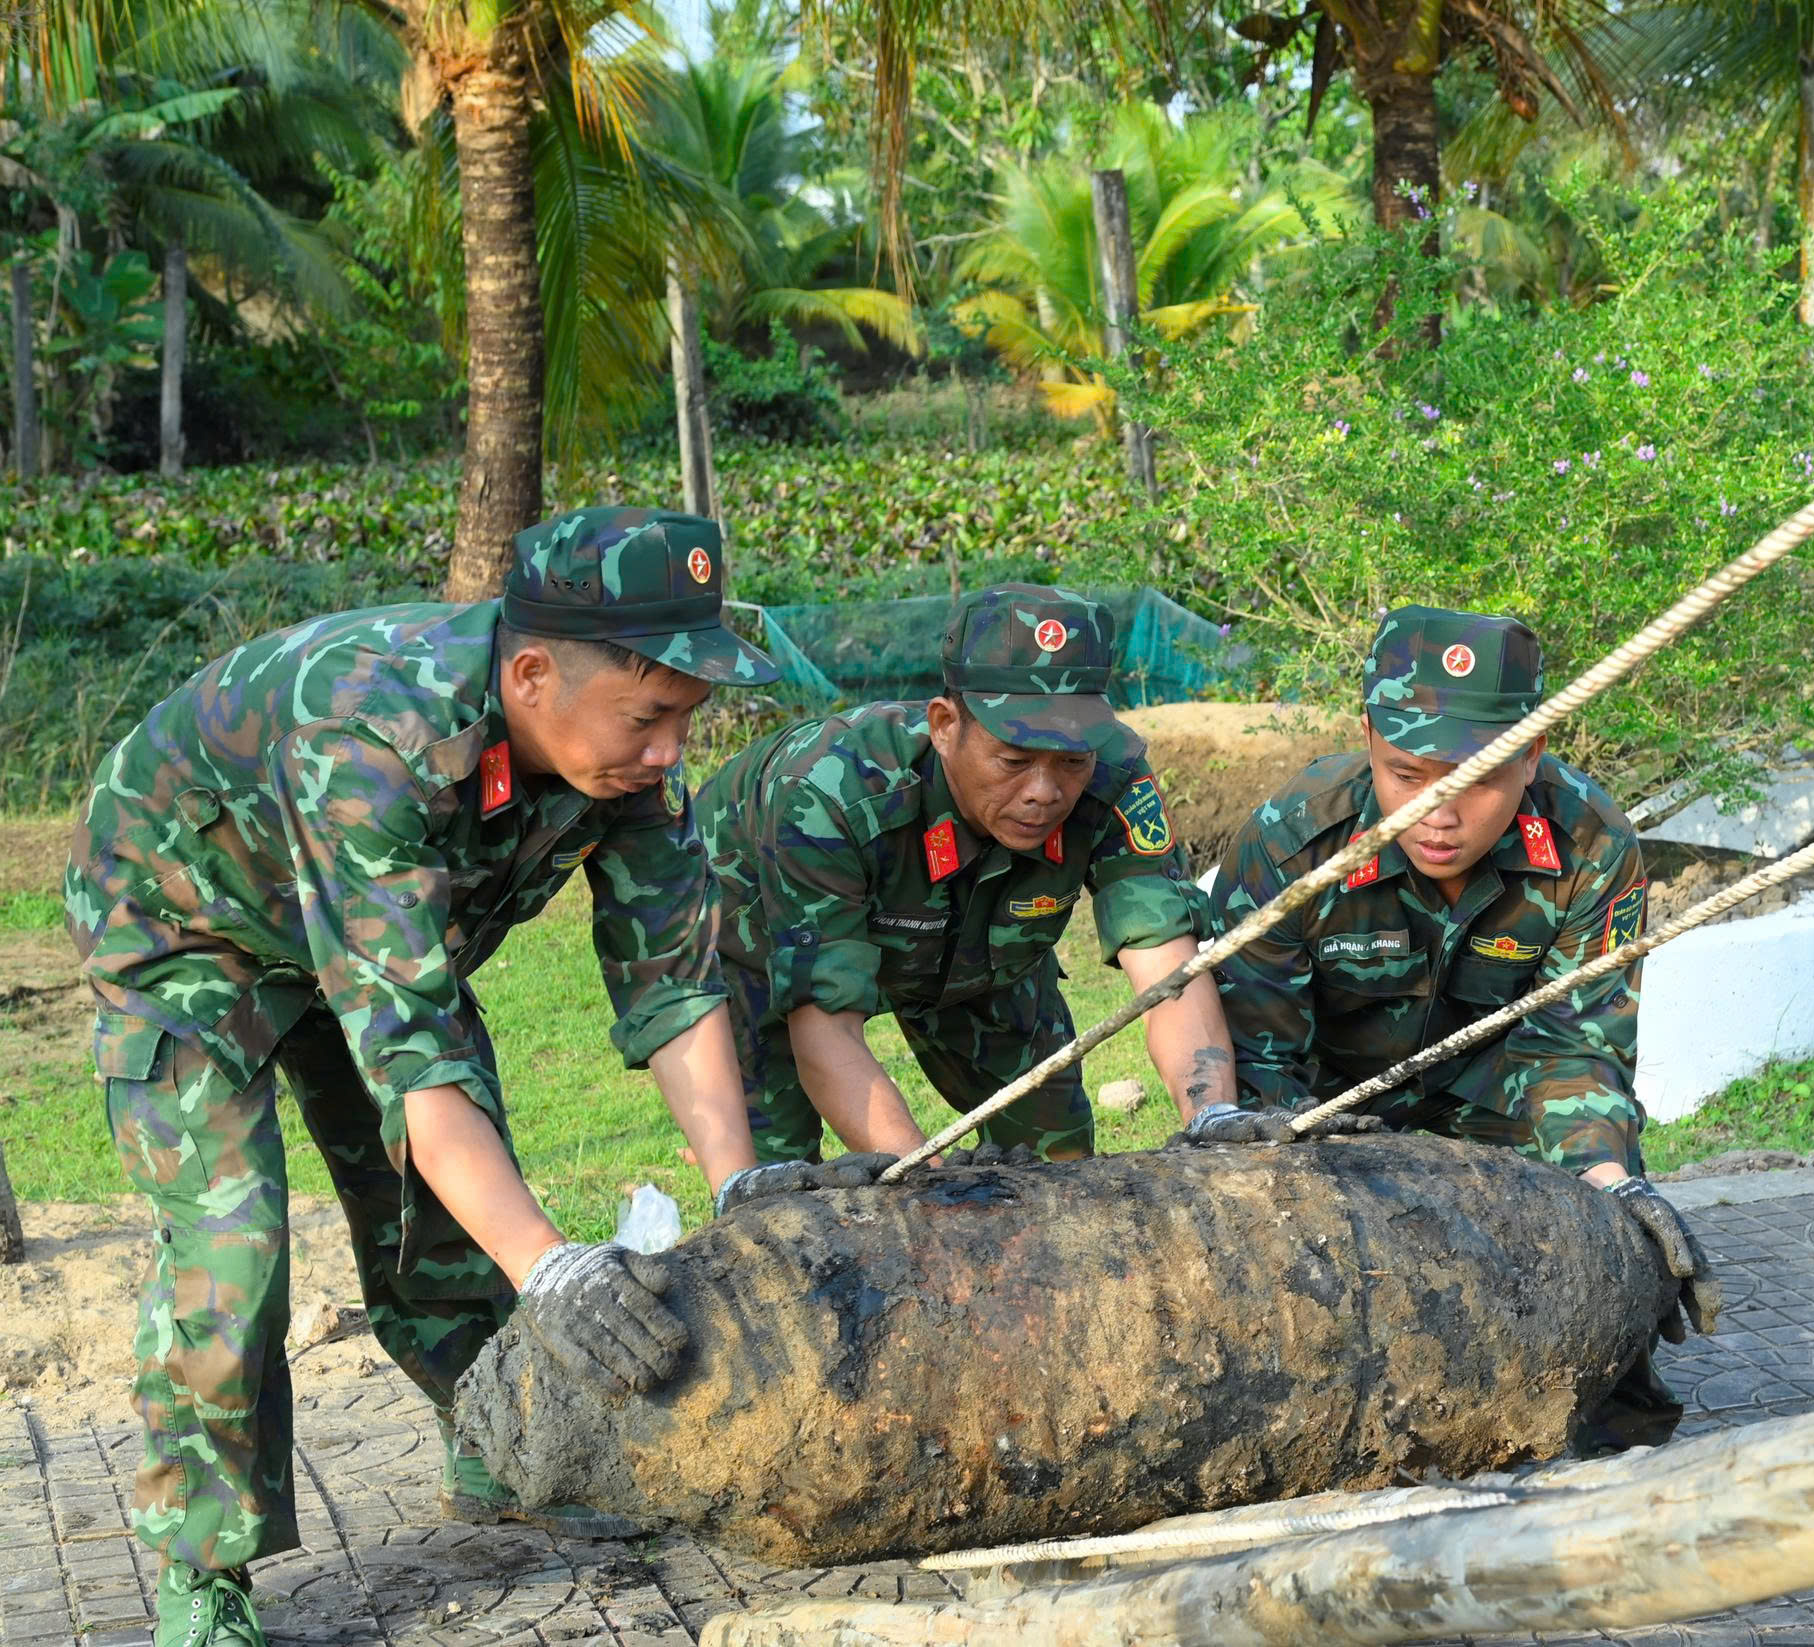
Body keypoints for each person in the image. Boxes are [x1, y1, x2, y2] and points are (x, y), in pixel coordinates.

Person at [67, 508, 781, 1647]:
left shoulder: (627, 761)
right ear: (535, 672)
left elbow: (672, 986)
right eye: (650, 718)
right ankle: (203, 1564)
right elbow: (413, 1053)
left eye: (687, 722)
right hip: (182, 922)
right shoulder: (372, 737)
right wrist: (553, 1269)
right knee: (230, 1237)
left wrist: (742, 1196)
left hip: (362, 934)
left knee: (431, 1202)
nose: (669, 753)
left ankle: (495, 1435)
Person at [1210, 605, 1718, 1447]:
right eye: (1406, 775)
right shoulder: (1296, 840)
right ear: (1369, 735)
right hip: (1335, 1111)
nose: (1436, 814)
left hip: (1501, 1097)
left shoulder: (1591, 841)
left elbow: (1575, 1048)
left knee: (1600, 1371)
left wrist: (1605, 1185)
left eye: (1475, 780)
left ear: (1531, 754)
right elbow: (1264, 1062)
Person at [697, 583, 1366, 1181]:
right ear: (945, 725)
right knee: (781, 1185)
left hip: (982, 952)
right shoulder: (830, 792)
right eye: (1013, 758)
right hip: (761, 941)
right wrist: (928, 1185)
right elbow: (825, 1030)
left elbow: (1169, 967)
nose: (1044, 792)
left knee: (1058, 1164)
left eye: (1069, 760)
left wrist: (1215, 1113)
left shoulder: (1114, 774)